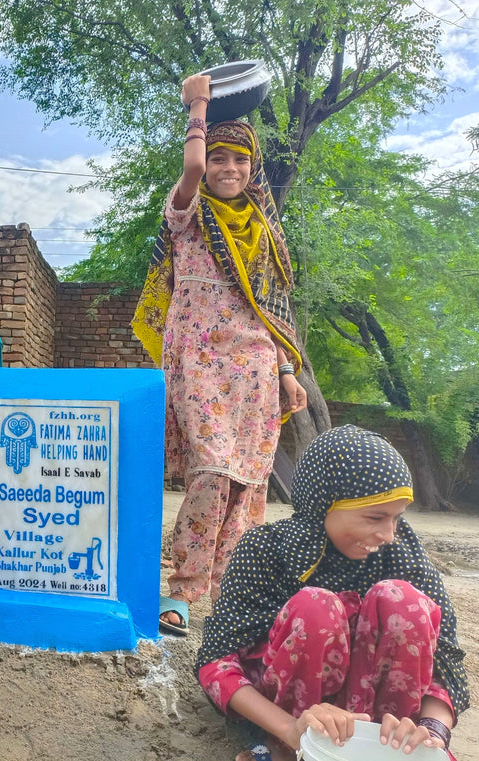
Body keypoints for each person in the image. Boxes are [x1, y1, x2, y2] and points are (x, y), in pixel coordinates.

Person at [131, 74, 307, 636]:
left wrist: (285, 369)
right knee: (211, 470)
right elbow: (188, 169)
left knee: (248, 481)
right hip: (199, 361)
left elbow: (272, 308)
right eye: (220, 159)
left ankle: (230, 594)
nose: (229, 169)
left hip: (256, 365)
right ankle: (182, 589)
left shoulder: (264, 228)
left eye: (240, 161)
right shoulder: (187, 214)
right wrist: (198, 107)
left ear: (253, 168)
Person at [197, 425, 469, 761]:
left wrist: (433, 730)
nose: (388, 534)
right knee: (316, 607)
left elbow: (445, 660)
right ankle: (281, 750)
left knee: (406, 603)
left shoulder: (403, 556)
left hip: (383, 733)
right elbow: (217, 662)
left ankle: (395, 750)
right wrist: (290, 730)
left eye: (396, 518)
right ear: (323, 504)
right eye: (375, 517)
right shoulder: (266, 550)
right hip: (291, 723)